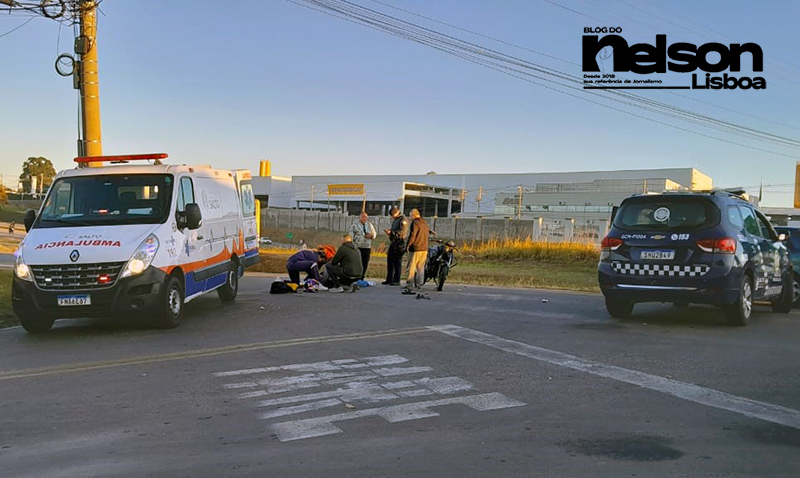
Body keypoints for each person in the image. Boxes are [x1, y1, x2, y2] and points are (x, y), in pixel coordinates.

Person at [402, 209, 430, 293]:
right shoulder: (424, 223)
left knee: (411, 267)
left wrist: (408, 245)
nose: (410, 218)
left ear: (414, 215)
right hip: (424, 248)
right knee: (420, 268)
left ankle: (409, 285)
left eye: (411, 216)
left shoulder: (415, 223)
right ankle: (419, 285)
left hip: (415, 248)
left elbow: (413, 235)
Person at [382, 206, 408, 286]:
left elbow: (402, 232)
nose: (392, 217)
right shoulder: (396, 220)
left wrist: (392, 233)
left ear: (396, 213)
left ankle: (396, 280)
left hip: (399, 243)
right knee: (390, 261)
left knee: (397, 262)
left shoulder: (403, 220)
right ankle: (389, 279)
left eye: (392, 215)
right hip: (393, 242)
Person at [350, 212, 377, 280]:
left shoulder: (369, 225)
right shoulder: (354, 225)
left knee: (365, 262)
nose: (364, 218)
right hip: (358, 246)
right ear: (360, 217)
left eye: (365, 217)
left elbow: (374, 234)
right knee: (358, 263)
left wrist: (371, 236)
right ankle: (356, 277)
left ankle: (362, 277)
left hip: (367, 246)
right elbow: (351, 236)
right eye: (363, 217)